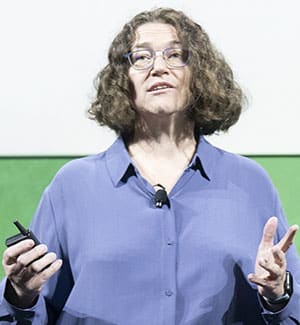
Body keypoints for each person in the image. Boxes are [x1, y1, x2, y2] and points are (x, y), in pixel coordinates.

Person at [0, 7, 299, 324]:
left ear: (200, 75)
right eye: (141, 57)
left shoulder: (249, 182)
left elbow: (291, 311)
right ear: (121, 81)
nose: (159, 67)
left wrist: (277, 294)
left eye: (176, 55)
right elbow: (27, 312)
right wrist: (20, 293)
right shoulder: (72, 185)